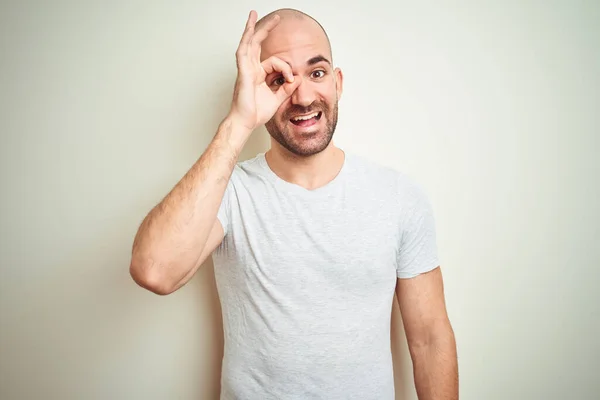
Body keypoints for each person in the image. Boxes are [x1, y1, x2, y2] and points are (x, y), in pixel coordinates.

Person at [129, 8, 458, 400]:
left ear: (337, 82)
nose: (302, 96)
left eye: (316, 73)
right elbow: (154, 270)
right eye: (278, 79)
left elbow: (430, 339)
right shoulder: (229, 192)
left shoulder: (399, 197)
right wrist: (238, 122)